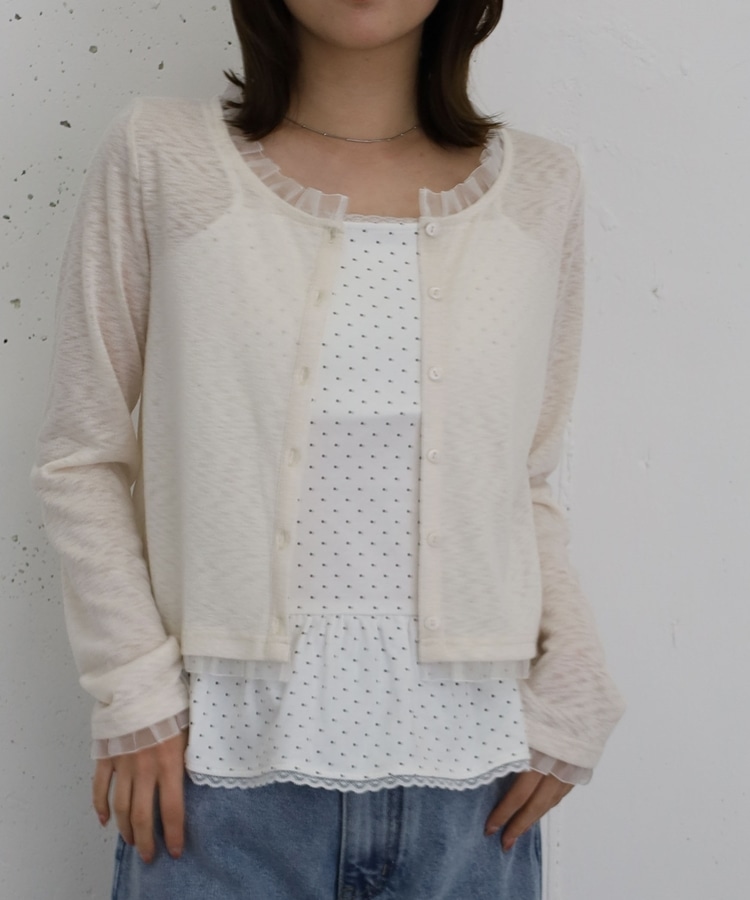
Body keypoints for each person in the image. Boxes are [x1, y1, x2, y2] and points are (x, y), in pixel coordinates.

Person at [31, 1, 626, 897]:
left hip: (472, 787)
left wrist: (576, 679)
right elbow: (81, 454)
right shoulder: (162, 156)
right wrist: (135, 692)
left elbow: (524, 480)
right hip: (216, 780)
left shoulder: (544, 186)